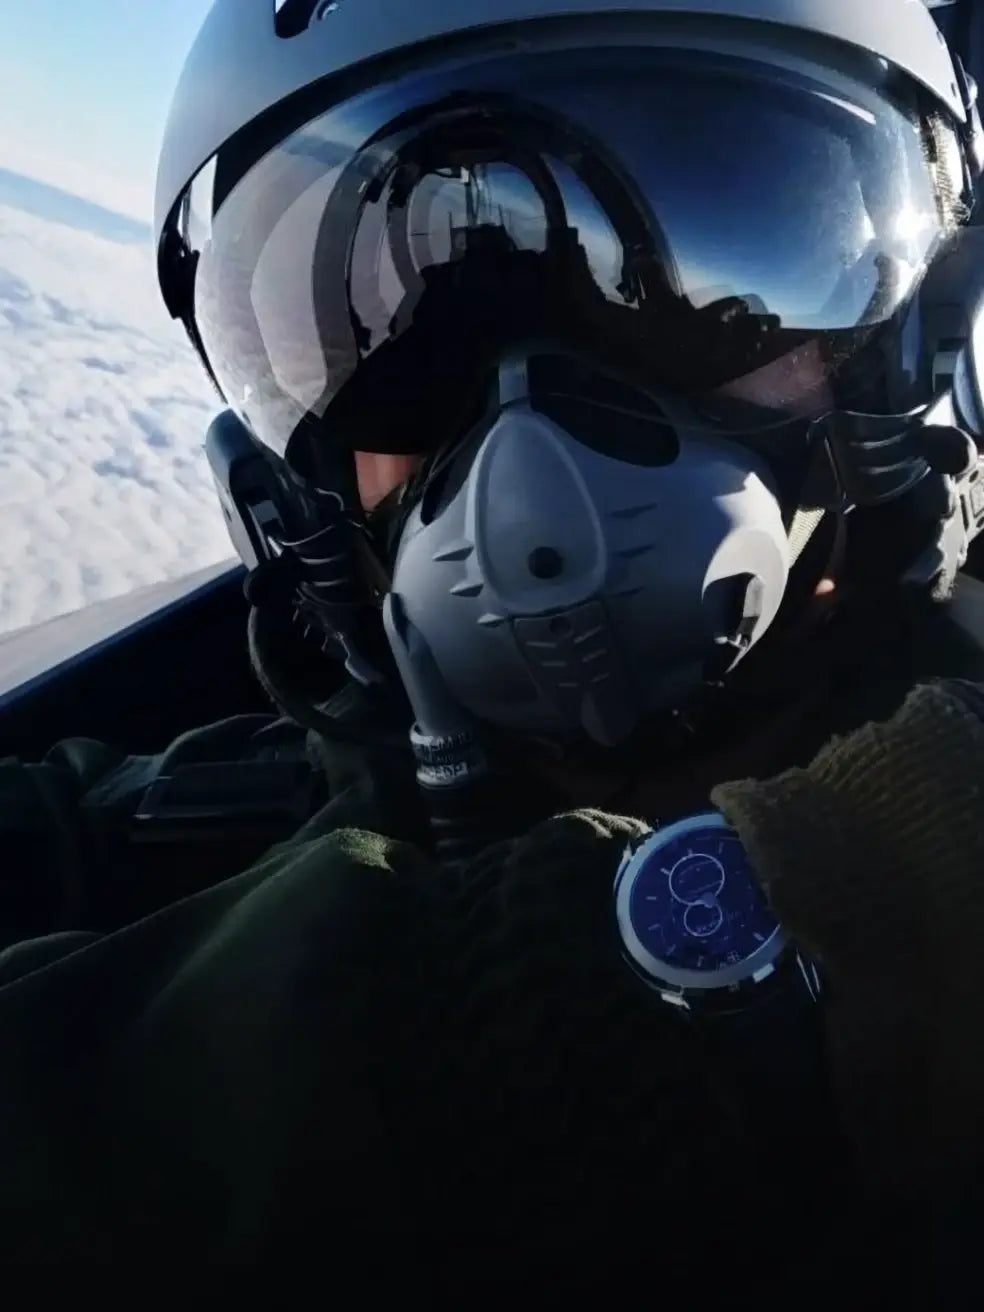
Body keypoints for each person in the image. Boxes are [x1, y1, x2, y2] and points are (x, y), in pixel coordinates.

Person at [2, 0, 984, 1285]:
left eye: (702, 296)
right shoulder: (192, 818)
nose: (532, 445)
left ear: (901, 353)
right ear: (291, 476)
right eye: (389, 335)